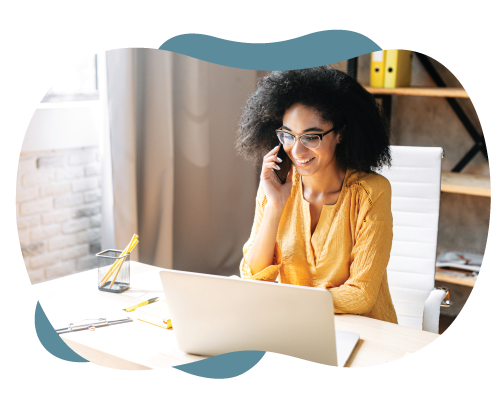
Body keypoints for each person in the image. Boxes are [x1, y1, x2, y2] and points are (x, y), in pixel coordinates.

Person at [235, 66, 397, 324]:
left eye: (311, 137)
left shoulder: (370, 192)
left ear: (341, 133)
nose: (296, 149)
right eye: (287, 135)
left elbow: (361, 295)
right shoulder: (275, 187)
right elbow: (253, 276)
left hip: (365, 333)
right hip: (297, 326)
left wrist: (287, 303)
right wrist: (275, 206)